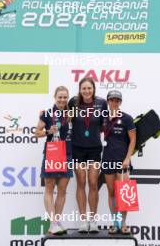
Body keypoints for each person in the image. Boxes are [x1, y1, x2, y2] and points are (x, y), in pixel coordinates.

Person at [69, 77, 107, 233]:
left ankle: (93, 220)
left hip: (94, 149)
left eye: (89, 88)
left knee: (93, 183)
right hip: (77, 148)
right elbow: (63, 117)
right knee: (81, 182)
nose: (86, 91)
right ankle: (83, 220)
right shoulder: (73, 102)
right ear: (80, 89)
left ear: (93, 89)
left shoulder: (101, 103)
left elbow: (106, 124)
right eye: (83, 88)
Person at [35, 86, 73, 235]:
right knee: (50, 188)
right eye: (60, 97)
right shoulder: (47, 114)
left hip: (67, 154)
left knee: (62, 190)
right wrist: (47, 132)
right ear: (55, 97)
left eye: (65, 97)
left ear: (68, 98)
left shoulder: (71, 114)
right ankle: (52, 223)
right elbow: (36, 133)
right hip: (52, 154)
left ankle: (57, 221)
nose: (62, 100)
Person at [101, 90, 136, 234]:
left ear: (120, 102)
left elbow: (133, 140)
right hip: (107, 159)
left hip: (123, 161)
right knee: (111, 193)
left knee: (124, 194)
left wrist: (127, 158)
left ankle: (123, 223)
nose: (114, 103)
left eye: (117, 100)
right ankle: (115, 222)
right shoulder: (102, 118)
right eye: (112, 100)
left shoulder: (127, 118)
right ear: (108, 101)